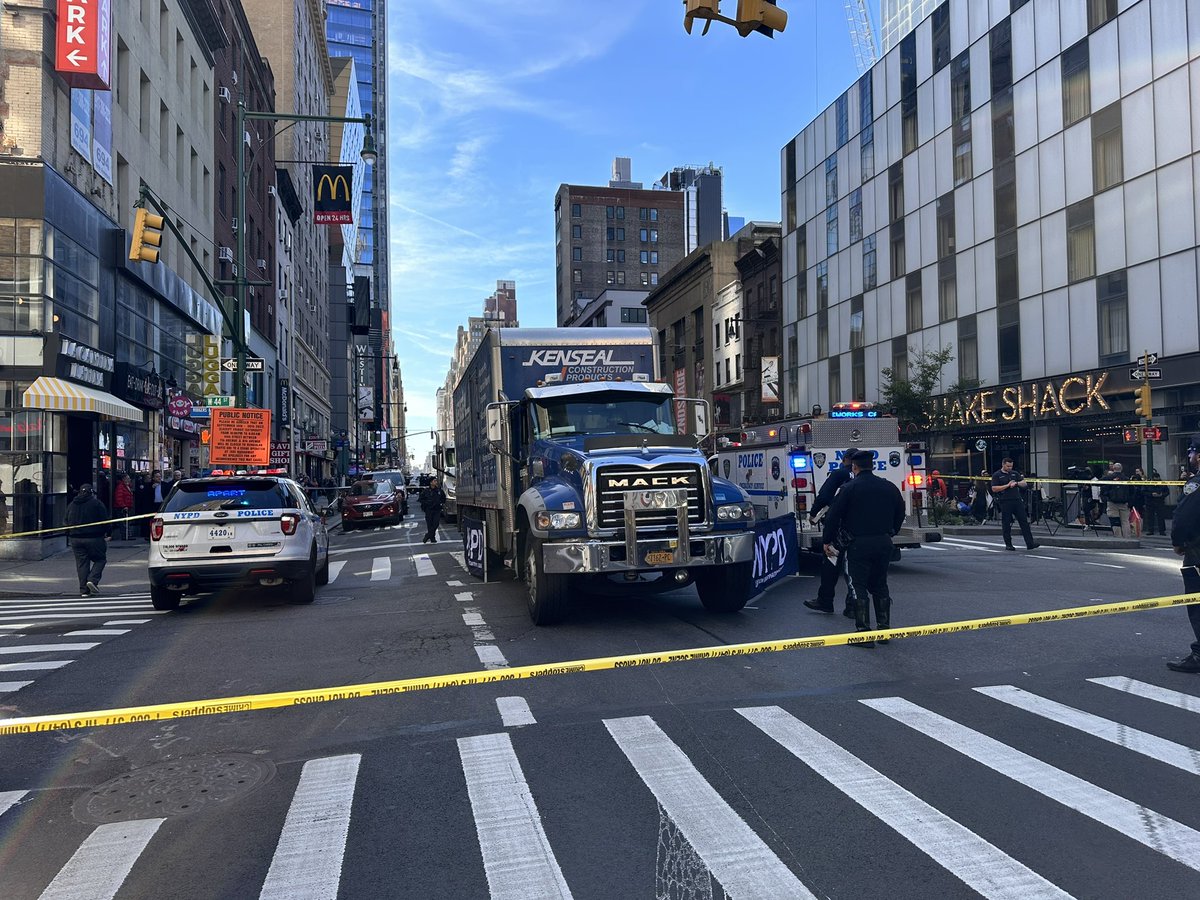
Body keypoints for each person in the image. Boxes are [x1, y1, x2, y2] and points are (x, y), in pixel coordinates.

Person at [821, 450, 906, 647]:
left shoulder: (849, 488)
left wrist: (828, 540)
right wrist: (892, 531)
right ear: (873, 466)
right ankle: (884, 629)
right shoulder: (889, 487)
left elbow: (834, 516)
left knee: (857, 585)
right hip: (884, 542)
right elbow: (900, 511)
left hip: (858, 543)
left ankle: (863, 632)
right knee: (880, 584)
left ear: (854, 467)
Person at [803, 448, 860, 618]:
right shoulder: (863, 477)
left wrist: (813, 513)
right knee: (855, 568)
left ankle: (825, 600)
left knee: (831, 562)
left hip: (839, 529)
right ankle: (852, 605)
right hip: (858, 529)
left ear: (845, 460)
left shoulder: (839, 474)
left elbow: (824, 496)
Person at [1166, 433, 1200, 673]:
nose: (1190, 456)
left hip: (1197, 553)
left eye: (1191, 452)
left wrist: (1178, 542)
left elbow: (1183, 518)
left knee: (1197, 602)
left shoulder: (1196, 483)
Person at [65, 483, 110, 597]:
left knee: (82, 564)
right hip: (94, 538)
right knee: (100, 559)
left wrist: (69, 534)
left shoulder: (72, 505)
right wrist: (108, 533)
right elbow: (105, 520)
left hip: (75, 539)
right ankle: (92, 580)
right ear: (91, 492)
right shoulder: (97, 504)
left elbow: (65, 521)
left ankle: (84, 590)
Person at [991, 458, 1040, 551]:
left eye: (1011, 466)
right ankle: (1008, 544)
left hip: (1017, 500)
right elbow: (994, 488)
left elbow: (1024, 483)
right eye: (1008, 466)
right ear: (1003, 464)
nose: (1009, 468)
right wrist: (1007, 485)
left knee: (1024, 521)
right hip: (1005, 501)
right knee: (1006, 523)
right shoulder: (997, 475)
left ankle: (1030, 543)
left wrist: (1017, 483)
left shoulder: (1014, 473)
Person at [1100, 462, 1131, 537]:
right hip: (1124, 503)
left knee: (1115, 521)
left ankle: (1118, 537)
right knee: (1125, 521)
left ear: (1113, 469)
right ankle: (1127, 538)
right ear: (1121, 469)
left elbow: (1099, 484)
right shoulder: (1126, 478)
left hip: (1112, 503)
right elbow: (1132, 491)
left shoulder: (1109, 478)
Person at [419, 477, 446, 543]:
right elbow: (421, 499)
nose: (436, 482)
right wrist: (426, 504)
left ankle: (428, 535)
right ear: (431, 482)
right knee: (430, 524)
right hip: (429, 510)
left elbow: (443, 498)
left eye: (436, 481)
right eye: (434, 481)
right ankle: (432, 538)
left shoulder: (439, 491)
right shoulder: (426, 491)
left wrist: (440, 503)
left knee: (436, 523)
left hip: (437, 510)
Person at [1144, 469, 1169, 536]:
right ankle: (1150, 530)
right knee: (1150, 516)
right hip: (1150, 502)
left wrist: (1161, 495)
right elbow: (1143, 492)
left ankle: (1162, 530)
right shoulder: (1148, 483)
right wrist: (1151, 494)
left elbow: (1167, 492)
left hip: (1159, 502)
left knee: (1160, 516)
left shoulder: (1162, 483)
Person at [114, 473, 135, 540]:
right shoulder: (120, 487)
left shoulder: (128, 486)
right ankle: (125, 535)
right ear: (123, 479)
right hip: (122, 507)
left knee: (127, 522)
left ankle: (128, 534)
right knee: (123, 523)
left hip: (128, 506)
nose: (129, 480)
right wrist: (123, 506)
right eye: (127, 478)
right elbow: (119, 498)